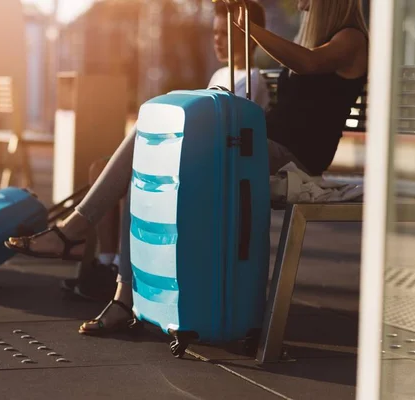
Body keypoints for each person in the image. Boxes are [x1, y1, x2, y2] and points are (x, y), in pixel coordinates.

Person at [6, 0, 369, 335]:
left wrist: (247, 28)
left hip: (290, 158)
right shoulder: (315, 39)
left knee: (153, 146)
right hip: (257, 148)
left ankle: (74, 229)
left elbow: (309, 63)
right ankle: (123, 298)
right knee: (147, 154)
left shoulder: (351, 40)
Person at [59, 0, 270, 303]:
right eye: (214, 33)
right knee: (100, 167)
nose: (217, 40)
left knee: (134, 173)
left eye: (225, 33)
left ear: (249, 36)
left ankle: (110, 260)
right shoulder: (221, 75)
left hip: (210, 166)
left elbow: (223, 135)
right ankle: (107, 263)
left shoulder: (252, 79)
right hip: (195, 155)